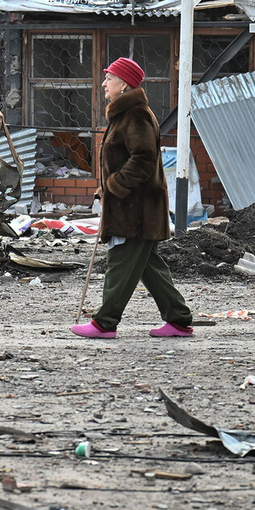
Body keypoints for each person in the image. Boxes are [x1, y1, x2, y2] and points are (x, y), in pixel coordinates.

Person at [71, 57, 194, 339]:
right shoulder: (125, 115)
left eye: (110, 78)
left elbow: (143, 160)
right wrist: (107, 189)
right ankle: (178, 320)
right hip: (137, 208)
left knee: (120, 265)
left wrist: (114, 186)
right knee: (150, 268)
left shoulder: (136, 115)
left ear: (124, 84)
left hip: (136, 210)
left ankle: (105, 323)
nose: (104, 83)